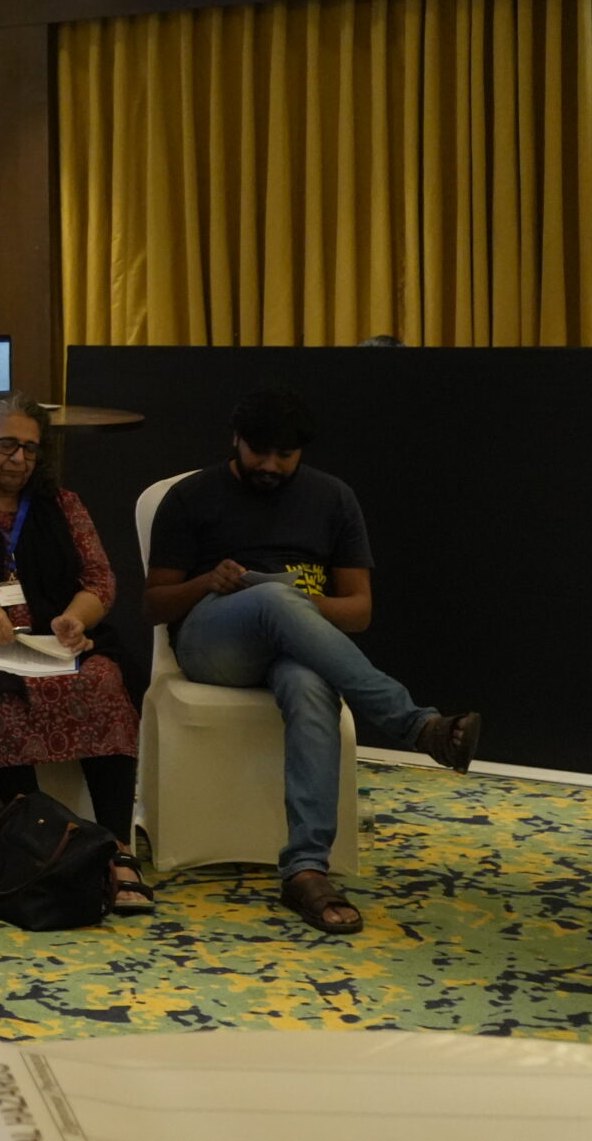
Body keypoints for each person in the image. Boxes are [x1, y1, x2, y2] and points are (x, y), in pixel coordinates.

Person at [145, 387, 483, 935]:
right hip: (213, 644)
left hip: (296, 648)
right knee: (273, 600)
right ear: (236, 440)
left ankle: (306, 870)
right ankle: (416, 725)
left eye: (285, 455)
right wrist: (210, 582)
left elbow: (358, 611)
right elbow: (154, 605)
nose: (270, 465)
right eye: (259, 451)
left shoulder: (332, 498)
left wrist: (296, 606)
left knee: (309, 682)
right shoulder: (191, 496)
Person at [0, 394, 151, 916]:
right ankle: (54, 840)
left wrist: (75, 619)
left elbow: (99, 581)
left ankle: (116, 846)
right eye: (7, 445)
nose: (19, 459)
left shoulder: (64, 504)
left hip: (51, 641)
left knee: (106, 682)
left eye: (31, 449)